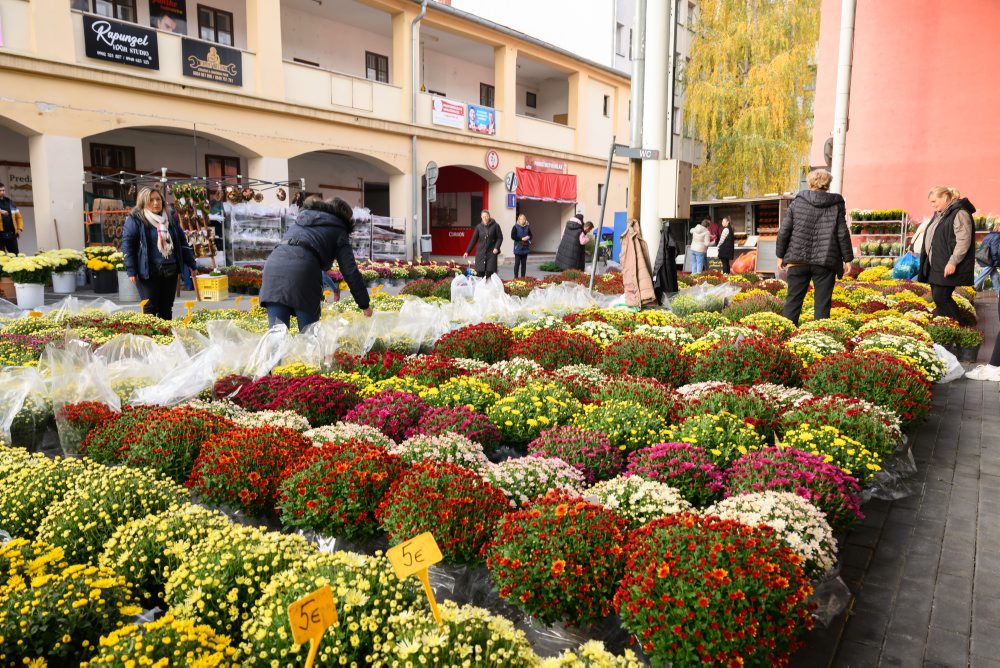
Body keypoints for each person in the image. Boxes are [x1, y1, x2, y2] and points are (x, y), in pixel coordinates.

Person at [260, 196, 372, 330]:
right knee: (308, 338)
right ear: (345, 217)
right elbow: (350, 271)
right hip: (302, 273)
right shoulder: (338, 228)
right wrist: (364, 305)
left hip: (273, 268)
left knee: (276, 338)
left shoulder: (301, 219)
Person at [775, 168, 853, 325]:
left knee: (793, 301)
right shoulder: (836, 204)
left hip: (798, 259)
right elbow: (842, 233)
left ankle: (786, 338)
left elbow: (784, 230)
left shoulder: (797, 202)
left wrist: (780, 255)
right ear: (827, 185)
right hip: (826, 261)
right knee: (822, 305)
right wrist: (848, 259)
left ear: (810, 183)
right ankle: (820, 336)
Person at [121, 188, 199, 320]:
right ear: (143, 202)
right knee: (150, 308)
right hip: (148, 272)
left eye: (158, 199)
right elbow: (128, 246)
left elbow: (182, 242)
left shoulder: (170, 219)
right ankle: (150, 339)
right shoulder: (135, 220)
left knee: (166, 308)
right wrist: (131, 270)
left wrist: (192, 263)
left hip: (170, 270)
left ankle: (166, 337)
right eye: (151, 200)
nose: (156, 203)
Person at [917, 186, 975, 323]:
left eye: (934, 201)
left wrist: (953, 262)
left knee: (941, 297)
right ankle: (946, 327)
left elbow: (963, 240)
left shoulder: (959, 213)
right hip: (936, 264)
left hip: (947, 264)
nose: (932, 205)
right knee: (939, 299)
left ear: (945, 197)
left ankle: (959, 328)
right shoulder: (941, 213)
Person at [464, 210, 503, 280]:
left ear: (489, 216)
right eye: (483, 217)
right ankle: (481, 290)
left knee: (490, 272)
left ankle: (489, 289)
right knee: (479, 273)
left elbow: (500, 238)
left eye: (486, 216)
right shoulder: (479, 227)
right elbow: (473, 240)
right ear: (481, 217)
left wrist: (496, 247)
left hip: (491, 252)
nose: (485, 218)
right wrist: (467, 252)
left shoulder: (495, 225)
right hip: (480, 252)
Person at [974, 220, 1000, 294]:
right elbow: (994, 251)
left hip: (984, 258)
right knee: (982, 276)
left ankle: (999, 292)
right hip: (990, 260)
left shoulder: (989, 235)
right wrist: (996, 261)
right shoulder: (997, 236)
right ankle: (973, 288)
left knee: (995, 276)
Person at [0, 183, 23, 254]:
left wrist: (19, 228)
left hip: (11, 234)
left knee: (15, 256)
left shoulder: (10, 202)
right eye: (0, 190)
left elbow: (19, 217)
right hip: (0, 235)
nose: (2, 192)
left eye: (3, 190)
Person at [510, 213, 532, 278]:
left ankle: (523, 277)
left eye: (524, 219)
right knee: (517, 263)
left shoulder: (527, 227)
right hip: (518, 248)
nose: (522, 220)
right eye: (521, 219)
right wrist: (521, 239)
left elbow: (531, 235)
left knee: (524, 264)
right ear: (518, 220)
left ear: (525, 220)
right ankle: (516, 277)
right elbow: (513, 236)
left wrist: (528, 237)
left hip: (525, 248)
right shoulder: (515, 227)